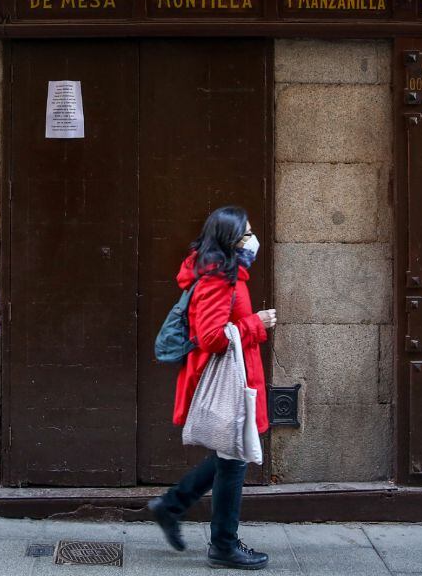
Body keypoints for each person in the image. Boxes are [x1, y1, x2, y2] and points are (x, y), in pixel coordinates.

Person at [148, 205, 276, 570]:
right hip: (228, 380)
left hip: (239, 373)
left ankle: (170, 507)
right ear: (230, 239)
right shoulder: (217, 279)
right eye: (246, 233)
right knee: (234, 459)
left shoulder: (227, 273)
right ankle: (223, 544)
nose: (252, 240)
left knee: (228, 456)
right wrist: (256, 323)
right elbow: (211, 337)